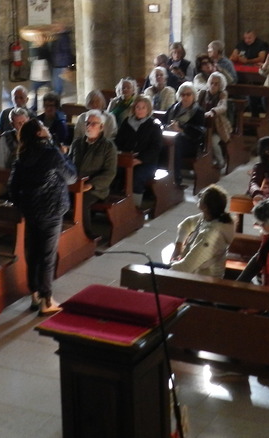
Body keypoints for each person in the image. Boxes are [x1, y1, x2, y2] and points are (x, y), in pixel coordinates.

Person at [8, 119, 78, 315]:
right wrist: (65, 156)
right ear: (39, 133)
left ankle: (35, 295)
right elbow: (71, 177)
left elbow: (12, 187)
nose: (47, 128)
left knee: (33, 253)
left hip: (31, 211)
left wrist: (23, 205)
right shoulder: (51, 153)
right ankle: (46, 300)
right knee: (47, 255)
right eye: (43, 127)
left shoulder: (22, 156)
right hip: (51, 210)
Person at [67, 110, 118, 238]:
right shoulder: (77, 143)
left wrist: (91, 185)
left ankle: (86, 235)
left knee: (81, 201)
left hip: (97, 189)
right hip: (75, 184)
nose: (89, 126)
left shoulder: (108, 147)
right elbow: (68, 163)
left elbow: (109, 172)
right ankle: (65, 233)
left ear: (101, 127)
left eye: (93, 124)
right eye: (87, 123)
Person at [169, 185, 236, 277]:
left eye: (201, 196)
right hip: (194, 274)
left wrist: (167, 268)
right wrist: (178, 246)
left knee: (152, 271)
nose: (199, 197)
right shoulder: (209, 217)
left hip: (202, 280)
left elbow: (186, 267)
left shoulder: (211, 235)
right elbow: (187, 223)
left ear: (205, 207)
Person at [113, 94, 163, 196]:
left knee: (137, 176)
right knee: (114, 173)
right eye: (138, 107)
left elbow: (155, 148)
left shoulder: (154, 125)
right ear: (134, 108)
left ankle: (135, 202)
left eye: (143, 108)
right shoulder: (127, 122)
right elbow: (118, 141)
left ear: (148, 109)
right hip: (127, 159)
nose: (140, 110)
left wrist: (140, 159)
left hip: (146, 162)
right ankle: (117, 200)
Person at [161, 82, 206, 185]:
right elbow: (163, 122)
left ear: (193, 96)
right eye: (182, 94)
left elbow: (198, 132)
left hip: (190, 144)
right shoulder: (173, 108)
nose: (185, 97)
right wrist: (168, 127)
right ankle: (160, 179)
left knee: (175, 143)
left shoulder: (198, 111)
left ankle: (176, 179)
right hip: (170, 139)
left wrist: (181, 129)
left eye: (188, 94)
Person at [197, 71, 232, 171]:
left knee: (212, 141)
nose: (213, 86)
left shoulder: (223, 94)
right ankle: (201, 162)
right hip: (203, 125)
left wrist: (213, 111)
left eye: (216, 84)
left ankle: (221, 161)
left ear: (220, 85)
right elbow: (195, 103)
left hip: (218, 128)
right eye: (211, 83)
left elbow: (223, 106)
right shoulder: (203, 93)